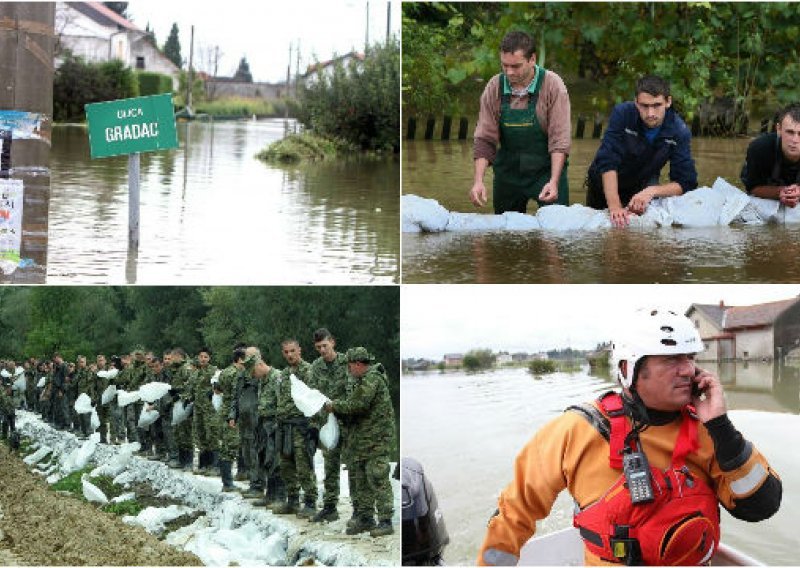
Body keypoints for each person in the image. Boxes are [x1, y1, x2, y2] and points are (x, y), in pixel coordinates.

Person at [477, 308, 782, 566]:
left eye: (689, 357)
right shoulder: (576, 429)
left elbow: (761, 508)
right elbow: (514, 513)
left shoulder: (709, 429)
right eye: (671, 359)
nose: (688, 369)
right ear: (629, 368)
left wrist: (722, 427)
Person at [469, 30, 571, 214]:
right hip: (508, 174)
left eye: (515, 66)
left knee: (557, 234)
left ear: (532, 59)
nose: (509, 72)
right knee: (505, 239)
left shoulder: (553, 85)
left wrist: (554, 182)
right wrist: (478, 181)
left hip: (546, 172)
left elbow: (559, 141)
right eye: (504, 65)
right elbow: (485, 139)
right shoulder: (494, 87)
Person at [586, 75, 698, 227]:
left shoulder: (680, 132)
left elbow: (686, 182)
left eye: (657, 105)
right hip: (604, 185)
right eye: (644, 106)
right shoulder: (622, 114)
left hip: (641, 187)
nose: (650, 113)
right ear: (636, 103)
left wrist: (651, 191)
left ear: (668, 102)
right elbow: (607, 161)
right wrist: (614, 206)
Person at [325, 347, 396, 537]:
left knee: (378, 478)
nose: (348, 371)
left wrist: (334, 406)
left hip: (376, 440)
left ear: (358, 364)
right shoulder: (362, 380)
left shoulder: (372, 379)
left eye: (350, 367)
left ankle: (386, 520)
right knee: (362, 481)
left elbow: (358, 404)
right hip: (363, 441)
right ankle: (365, 518)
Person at [268, 339, 317, 518]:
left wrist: (313, 427)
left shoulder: (309, 371)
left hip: (301, 425)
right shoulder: (284, 374)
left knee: (303, 464)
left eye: (292, 351)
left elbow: (314, 399)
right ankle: (293, 500)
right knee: (286, 464)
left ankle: (310, 501)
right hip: (284, 425)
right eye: (286, 352)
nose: (289, 355)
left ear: (299, 351)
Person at [308, 328, 350, 523]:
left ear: (332, 342)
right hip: (328, 424)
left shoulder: (347, 362)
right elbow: (312, 395)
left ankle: (362, 511)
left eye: (324, 346)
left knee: (356, 467)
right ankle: (330, 507)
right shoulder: (316, 367)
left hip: (349, 421)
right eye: (318, 348)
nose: (322, 350)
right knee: (330, 465)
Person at [740, 103, 800, 207]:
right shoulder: (759, 148)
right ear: (779, 129)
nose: (795, 140)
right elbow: (753, 188)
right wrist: (780, 192)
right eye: (790, 132)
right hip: (767, 184)